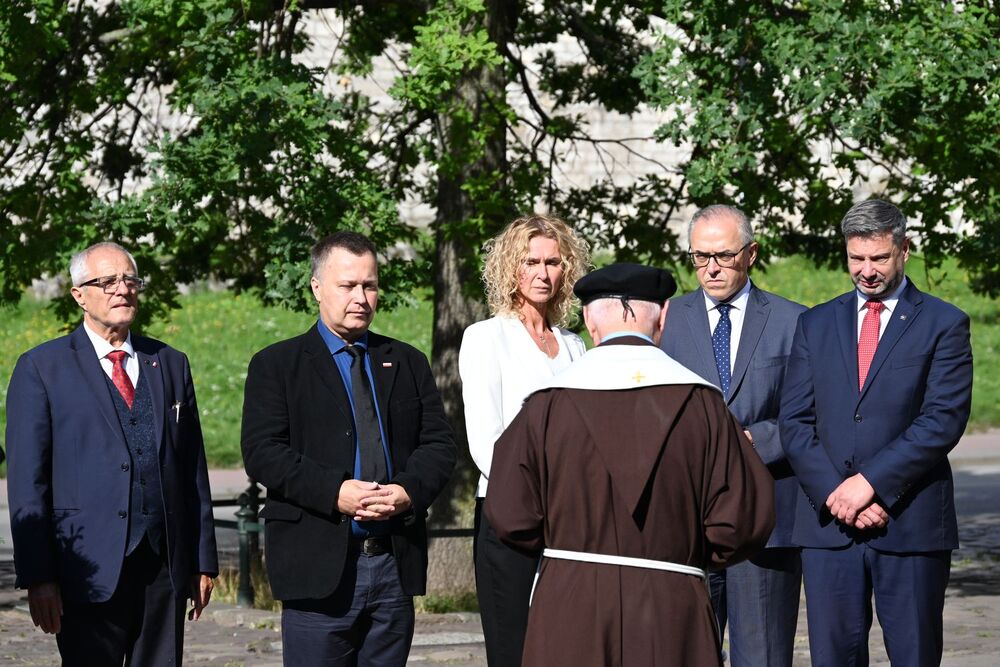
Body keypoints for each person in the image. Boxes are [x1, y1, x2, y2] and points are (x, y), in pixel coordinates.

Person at [486, 262, 776, 666]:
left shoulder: (546, 407)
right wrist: (681, 551)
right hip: (671, 608)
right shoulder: (704, 406)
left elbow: (509, 513)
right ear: (664, 315)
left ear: (588, 319)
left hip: (571, 607)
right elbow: (743, 519)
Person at [241, 231, 456, 666]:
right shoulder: (277, 365)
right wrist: (334, 491)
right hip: (318, 569)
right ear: (317, 288)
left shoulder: (407, 361)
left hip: (394, 564)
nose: (361, 296)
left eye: (370, 285)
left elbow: (438, 443)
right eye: (348, 285)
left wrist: (407, 491)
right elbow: (263, 451)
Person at [4, 241, 218, 665]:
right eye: (106, 282)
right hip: (85, 571)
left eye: (129, 280)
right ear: (79, 295)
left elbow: (192, 468)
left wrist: (202, 559)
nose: (122, 289)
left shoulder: (170, 362)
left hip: (163, 567)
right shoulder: (41, 368)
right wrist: (39, 577)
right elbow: (29, 485)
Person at [780, 199, 973, 666]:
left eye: (879, 258)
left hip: (910, 524)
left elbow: (941, 419)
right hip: (831, 530)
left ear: (904, 250)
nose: (866, 271)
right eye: (856, 258)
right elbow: (795, 421)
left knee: (914, 655)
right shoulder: (816, 323)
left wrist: (870, 485)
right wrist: (837, 495)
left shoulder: (944, 323)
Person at [660, 204, 805, 666]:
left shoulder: (795, 321)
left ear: (751, 253)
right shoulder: (665, 320)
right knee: (684, 653)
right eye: (700, 257)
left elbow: (811, 411)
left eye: (722, 255)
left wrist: (752, 442)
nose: (711, 268)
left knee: (762, 655)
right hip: (684, 519)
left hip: (765, 517)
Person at [458, 214, 589, 666]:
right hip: (509, 512)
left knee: (567, 645)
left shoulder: (575, 345)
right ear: (510, 268)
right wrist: (543, 491)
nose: (542, 273)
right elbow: (485, 441)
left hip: (571, 518)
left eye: (553, 262)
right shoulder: (485, 338)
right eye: (530, 261)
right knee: (513, 647)